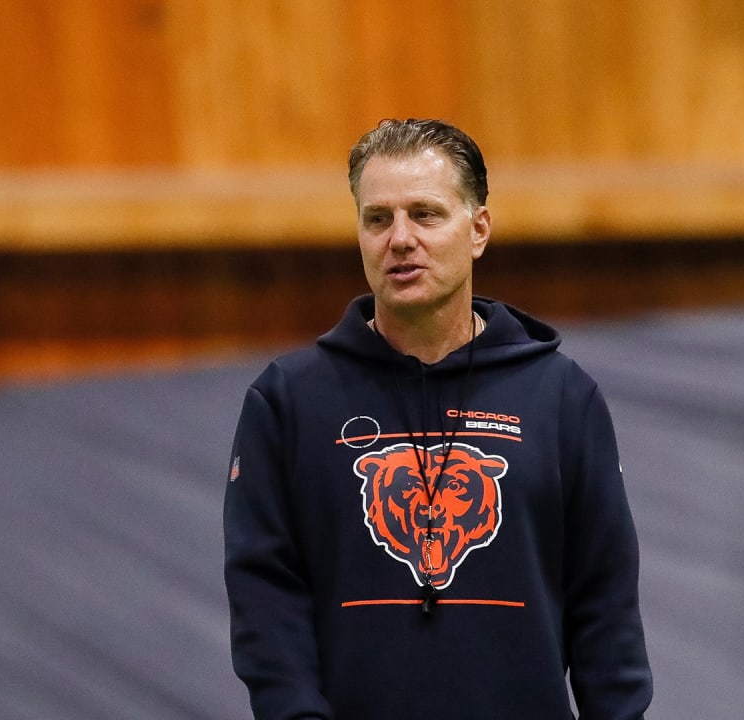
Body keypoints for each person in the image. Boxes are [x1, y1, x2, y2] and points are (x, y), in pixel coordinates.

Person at [223, 118, 652, 719]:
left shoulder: (561, 398)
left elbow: (605, 603)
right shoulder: (288, 401)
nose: (400, 238)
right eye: (379, 219)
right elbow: (265, 598)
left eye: (425, 214)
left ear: (477, 230)